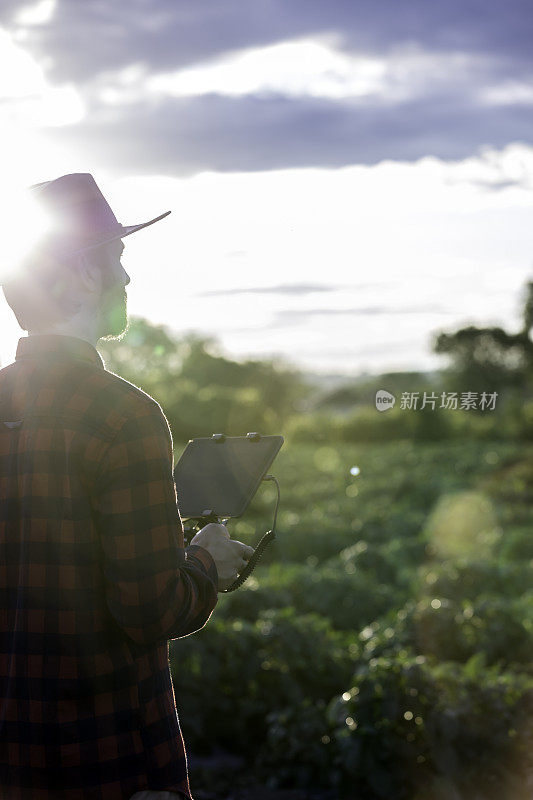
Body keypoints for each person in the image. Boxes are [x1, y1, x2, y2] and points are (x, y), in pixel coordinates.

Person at [0, 173, 254, 800]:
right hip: (106, 759)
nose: (128, 277)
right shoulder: (124, 415)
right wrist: (205, 564)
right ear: (85, 274)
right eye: (117, 259)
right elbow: (149, 609)